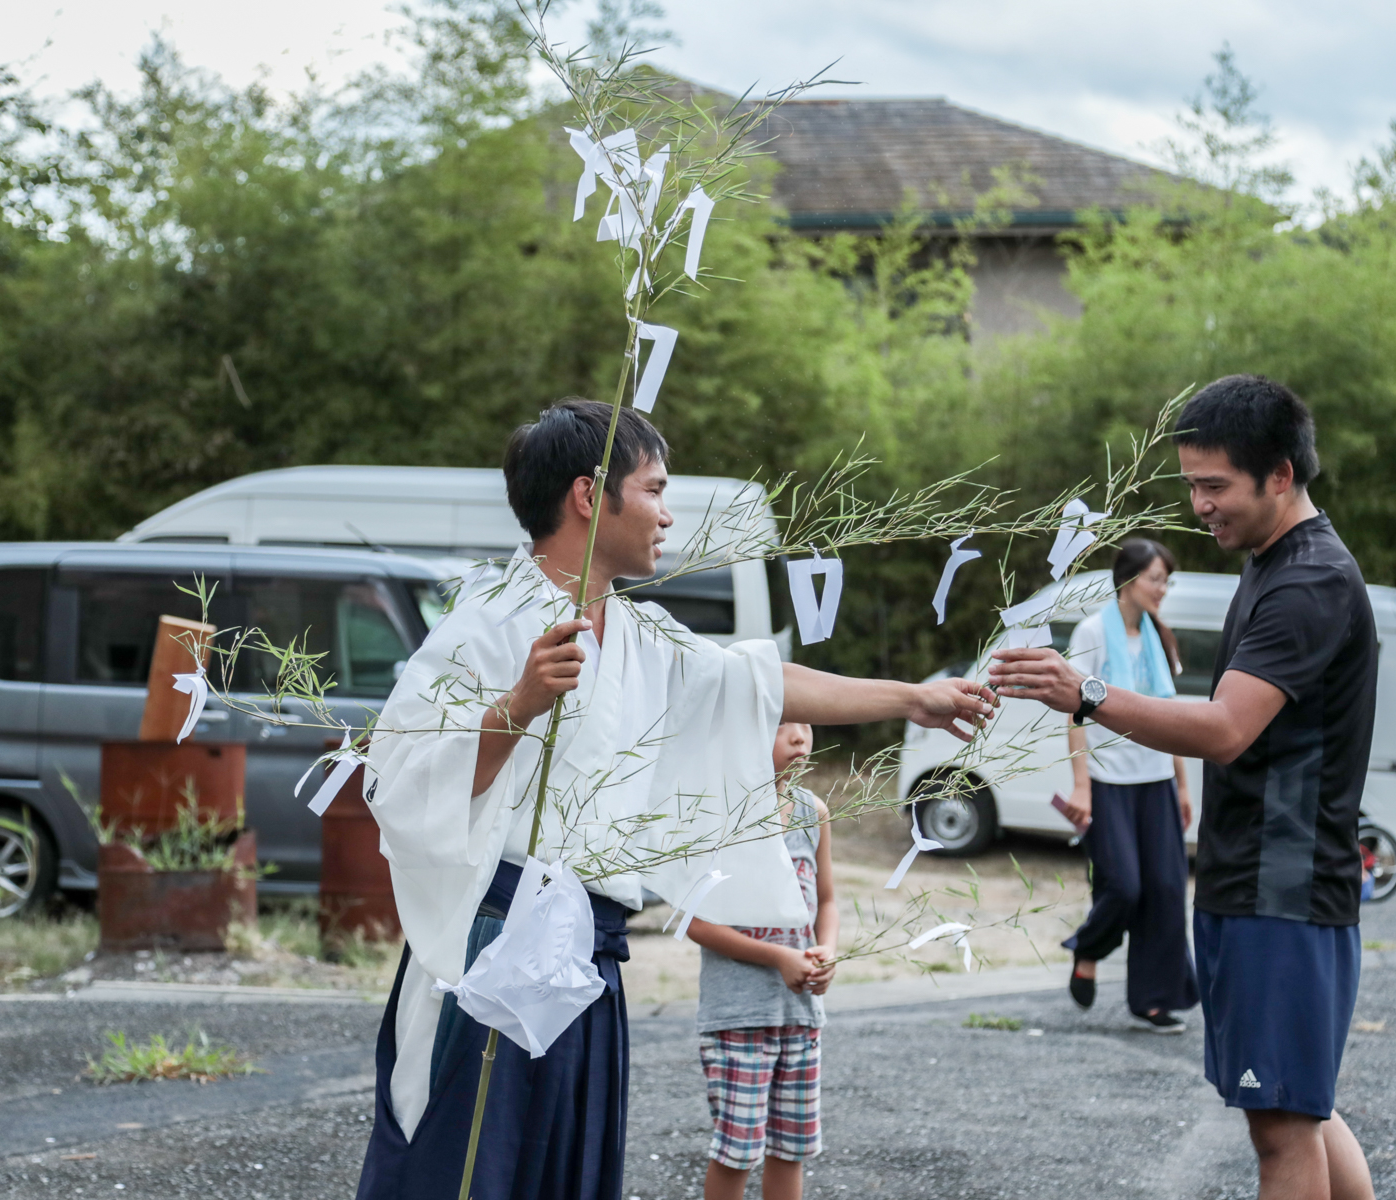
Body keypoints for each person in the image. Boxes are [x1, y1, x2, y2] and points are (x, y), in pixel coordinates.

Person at [356, 399, 994, 1200]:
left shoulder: (639, 634)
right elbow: (400, 780)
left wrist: (912, 699)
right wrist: (515, 706)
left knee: (562, 1177)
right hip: (496, 949)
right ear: (591, 497)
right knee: (473, 1172)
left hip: (587, 954)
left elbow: (758, 679)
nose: (668, 513)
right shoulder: (486, 623)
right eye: (655, 488)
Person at [988, 375, 1378, 1200]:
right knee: (1301, 1109)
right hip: (1260, 881)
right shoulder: (1275, 564)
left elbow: (1224, 727)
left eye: (1215, 486)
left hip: (1283, 887)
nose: (1199, 506)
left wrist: (1085, 694)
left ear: (1279, 473)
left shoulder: (1310, 581)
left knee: (1282, 1133)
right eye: (1191, 485)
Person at [687, 722, 836, 1200]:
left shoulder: (813, 813)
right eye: (780, 725)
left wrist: (826, 951)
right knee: (738, 1152)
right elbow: (695, 922)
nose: (799, 738)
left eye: (805, 724)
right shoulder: (720, 814)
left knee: (790, 1150)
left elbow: (828, 901)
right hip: (738, 1018)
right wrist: (778, 958)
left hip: (799, 1018)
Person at [1060, 539, 1199, 1033]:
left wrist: (1182, 788)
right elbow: (1074, 708)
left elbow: (1170, 719)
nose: (1162, 589)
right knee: (1123, 886)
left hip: (1156, 780)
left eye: (1166, 580)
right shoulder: (1093, 631)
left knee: (1165, 889)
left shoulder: (1160, 639)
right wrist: (1081, 786)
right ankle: (1088, 950)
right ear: (1127, 579)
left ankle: (1155, 999)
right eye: (1155, 579)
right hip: (1106, 781)